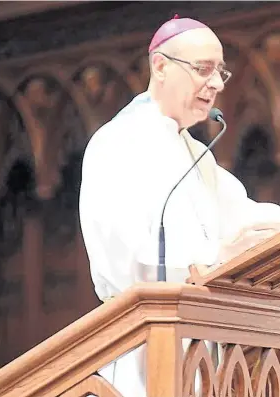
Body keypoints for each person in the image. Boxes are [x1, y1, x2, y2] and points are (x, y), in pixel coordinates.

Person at [79, 15, 280, 397]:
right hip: (143, 345)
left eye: (221, 72)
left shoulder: (194, 153)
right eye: (203, 69)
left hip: (205, 350)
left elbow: (246, 216)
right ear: (160, 66)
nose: (217, 84)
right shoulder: (117, 143)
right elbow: (126, 259)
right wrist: (214, 258)